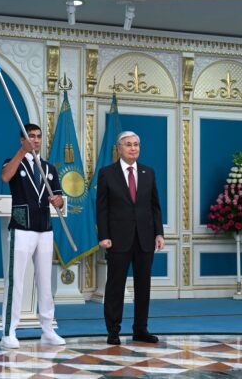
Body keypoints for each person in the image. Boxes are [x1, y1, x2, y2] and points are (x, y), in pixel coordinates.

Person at [0, 123, 66, 349]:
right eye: (31, 136)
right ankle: (8, 332)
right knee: (15, 281)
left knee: (45, 282)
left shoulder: (49, 168)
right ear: (22, 139)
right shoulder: (13, 162)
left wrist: (58, 201)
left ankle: (48, 330)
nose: (35, 140)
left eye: (38, 136)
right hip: (21, 227)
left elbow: (59, 198)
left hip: (45, 229)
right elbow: (5, 177)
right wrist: (22, 151)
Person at [96, 131, 165, 345]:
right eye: (128, 144)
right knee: (115, 286)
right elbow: (102, 208)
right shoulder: (107, 173)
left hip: (145, 238)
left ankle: (140, 330)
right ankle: (113, 331)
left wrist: (159, 233)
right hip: (118, 239)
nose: (133, 148)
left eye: (136, 144)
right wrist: (104, 235)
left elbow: (155, 206)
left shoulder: (148, 172)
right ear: (119, 148)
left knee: (143, 286)